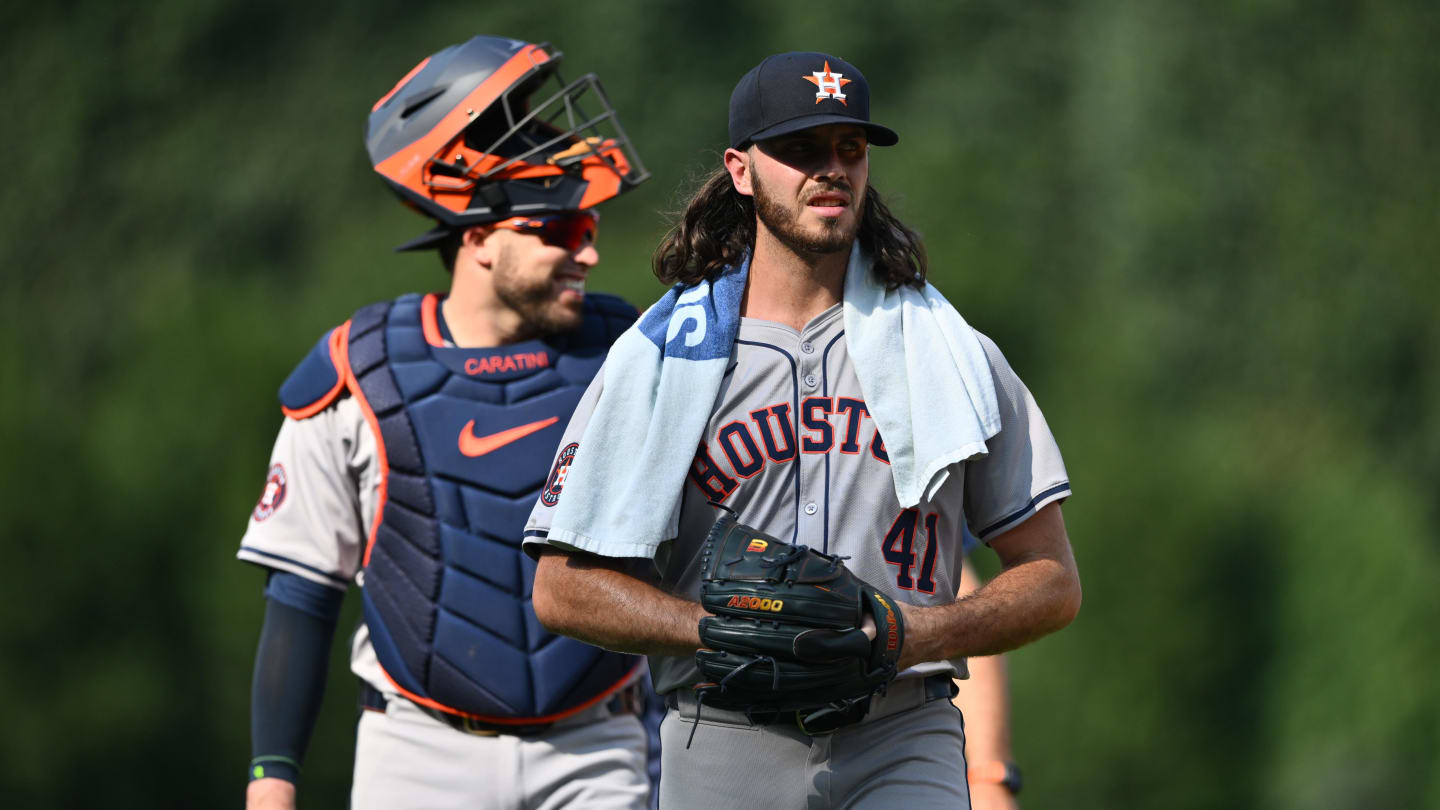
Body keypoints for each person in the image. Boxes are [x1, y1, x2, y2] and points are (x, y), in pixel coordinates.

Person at [522, 50, 1081, 808]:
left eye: (850, 148)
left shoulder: (951, 351)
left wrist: (913, 634)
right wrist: (717, 626)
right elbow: (562, 589)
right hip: (724, 733)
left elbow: (1051, 580)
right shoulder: (660, 358)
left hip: (903, 733)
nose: (832, 168)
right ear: (741, 169)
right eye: (800, 149)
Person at [238, 35, 657, 810]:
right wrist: (272, 781)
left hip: (601, 749)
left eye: (589, 231)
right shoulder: (358, 375)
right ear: (478, 242)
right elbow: (301, 594)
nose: (588, 255)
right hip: (416, 753)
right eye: (558, 233)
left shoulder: (634, 359)